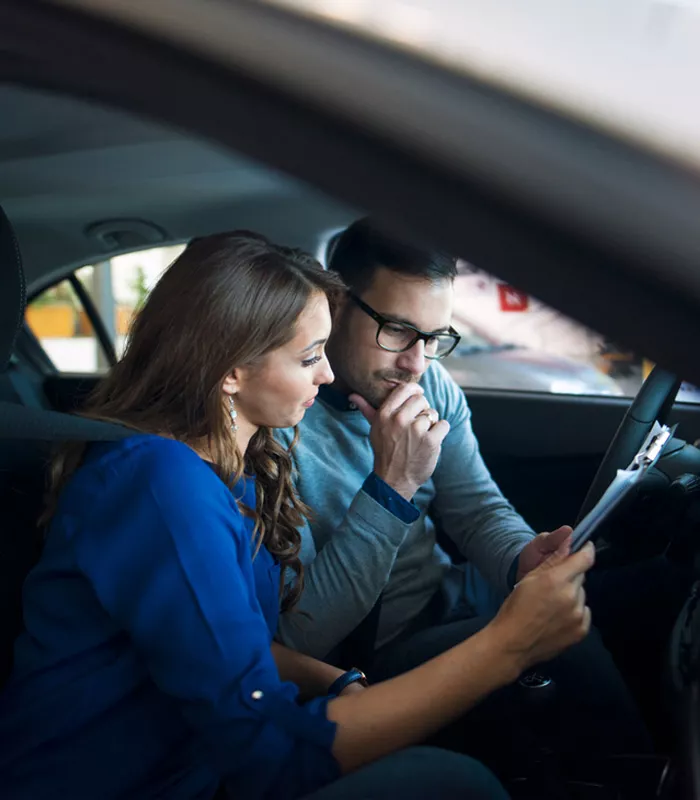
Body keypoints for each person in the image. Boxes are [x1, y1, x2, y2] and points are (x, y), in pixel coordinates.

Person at [0, 231, 595, 800]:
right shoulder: (165, 487)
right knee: (456, 787)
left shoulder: (233, 466)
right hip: (132, 787)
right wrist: (507, 648)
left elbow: (235, 637)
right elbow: (272, 757)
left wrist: (325, 679)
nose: (328, 373)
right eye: (310, 355)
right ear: (231, 370)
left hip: (196, 764)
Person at [275, 218, 683, 778]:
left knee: (649, 585)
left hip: (455, 594)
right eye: (395, 330)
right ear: (335, 306)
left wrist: (523, 557)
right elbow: (301, 635)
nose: (416, 362)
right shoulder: (278, 421)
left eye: (434, 338)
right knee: (563, 643)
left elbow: (477, 510)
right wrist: (392, 487)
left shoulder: (429, 384)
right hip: (374, 658)